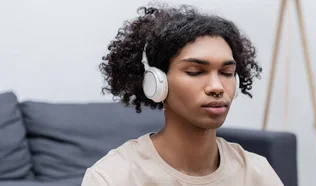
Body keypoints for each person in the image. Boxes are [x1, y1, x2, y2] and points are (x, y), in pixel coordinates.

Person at [81, 4, 283, 186]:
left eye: (226, 73)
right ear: (156, 82)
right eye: (195, 72)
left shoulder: (256, 173)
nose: (217, 87)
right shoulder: (113, 177)